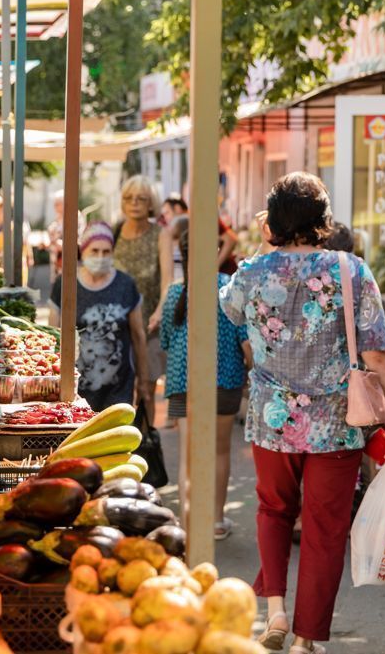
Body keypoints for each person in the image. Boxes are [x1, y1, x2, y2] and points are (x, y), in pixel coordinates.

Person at [220, 172, 385, 654]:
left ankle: (276, 612)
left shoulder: (253, 272)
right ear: (324, 220)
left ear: (274, 220)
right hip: (337, 423)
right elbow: (379, 356)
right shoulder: (351, 271)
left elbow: (231, 312)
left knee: (272, 510)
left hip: (271, 417)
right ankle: (306, 639)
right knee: (325, 530)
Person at [161, 227, 248, 540]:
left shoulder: (173, 292)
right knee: (219, 452)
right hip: (224, 379)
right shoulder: (229, 287)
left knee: (188, 455)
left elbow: (166, 340)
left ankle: (187, 522)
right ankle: (216, 520)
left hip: (183, 382)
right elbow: (244, 337)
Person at [50, 223, 148, 411]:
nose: (100, 257)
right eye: (94, 251)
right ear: (83, 250)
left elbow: (138, 335)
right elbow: (54, 335)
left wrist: (143, 380)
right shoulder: (65, 283)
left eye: (106, 252)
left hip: (119, 387)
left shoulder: (125, 284)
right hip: (76, 387)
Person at [112, 176, 166, 424]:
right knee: (119, 390)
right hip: (117, 326)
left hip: (149, 324)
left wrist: (159, 311)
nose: (134, 203)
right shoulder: (114, 232)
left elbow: (168, 280)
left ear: (151, 203)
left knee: (146, 388)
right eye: (128, 198)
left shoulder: (160, 235)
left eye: (141, 199)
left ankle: (146, 440)